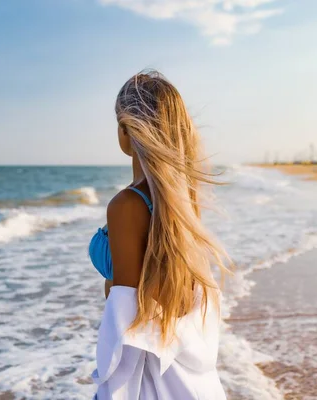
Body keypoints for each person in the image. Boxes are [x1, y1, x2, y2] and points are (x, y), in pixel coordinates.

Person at [88, 70, 229, 399]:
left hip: (150, 375)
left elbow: (127, 311)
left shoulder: (127, 205)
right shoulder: (181, 197)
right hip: (186, 368)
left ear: (126, 131)